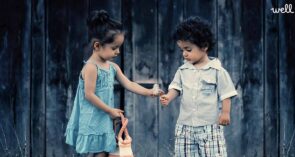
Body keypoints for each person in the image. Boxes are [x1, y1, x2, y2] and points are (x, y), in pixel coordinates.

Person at [65, 10, 162, 157]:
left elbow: (129, 84)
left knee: (105, 150)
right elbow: (89, 95)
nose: (117, 52)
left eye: (119, 47)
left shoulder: (112, 67)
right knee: (96, 151)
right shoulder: (91, 67)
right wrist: (109, 111)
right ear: (97, 46)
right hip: (92, 117)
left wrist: (149, 92)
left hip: (104, 117)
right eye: (114, 48)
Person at [160, 16, 238, 157]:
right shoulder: (183, 70)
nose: (184, 54)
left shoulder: (217, 71)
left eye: (188, 49)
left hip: (209, 128)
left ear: (204, 46)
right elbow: (176, 87)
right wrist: (168, 97)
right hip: (185, 127)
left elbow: (226, 93)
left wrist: (225, 113)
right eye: (182, 50)